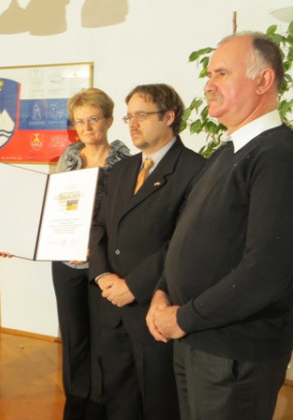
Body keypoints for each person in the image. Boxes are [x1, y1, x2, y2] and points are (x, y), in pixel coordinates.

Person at [147, 33, 293, 420]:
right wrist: (161, 293)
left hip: (234, 352)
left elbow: (264, 274)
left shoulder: (281, 160)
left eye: (222, 73)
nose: (208, 84)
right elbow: (186, 237)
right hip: (195, 337)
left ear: (263, 81)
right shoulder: (228, 152)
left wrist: (180, 318)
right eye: (209, 74)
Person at [88, 84, 205, 420]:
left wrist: (133, 286)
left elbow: (183, 243)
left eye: (141, 115)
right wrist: (103, 275)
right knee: (119, 397)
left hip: (153, 307)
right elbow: (99, 228)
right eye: (129, 116)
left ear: (169, 117)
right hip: (111, 303)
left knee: (159, 402)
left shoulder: (196, 171)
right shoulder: (122, 169)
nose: (132, 123)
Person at [52, 88, 130, 420]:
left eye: (93, 119)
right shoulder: (68, 158)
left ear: (109, 120)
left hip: (105, 263)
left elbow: (127, 216)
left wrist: (94, 245)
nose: (86, 126)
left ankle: (99, 401)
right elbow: (55, 209)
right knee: (72, 333)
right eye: (80, 121)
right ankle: (76, 396)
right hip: (66, 261)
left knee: (104, 334)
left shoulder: (126, 161)